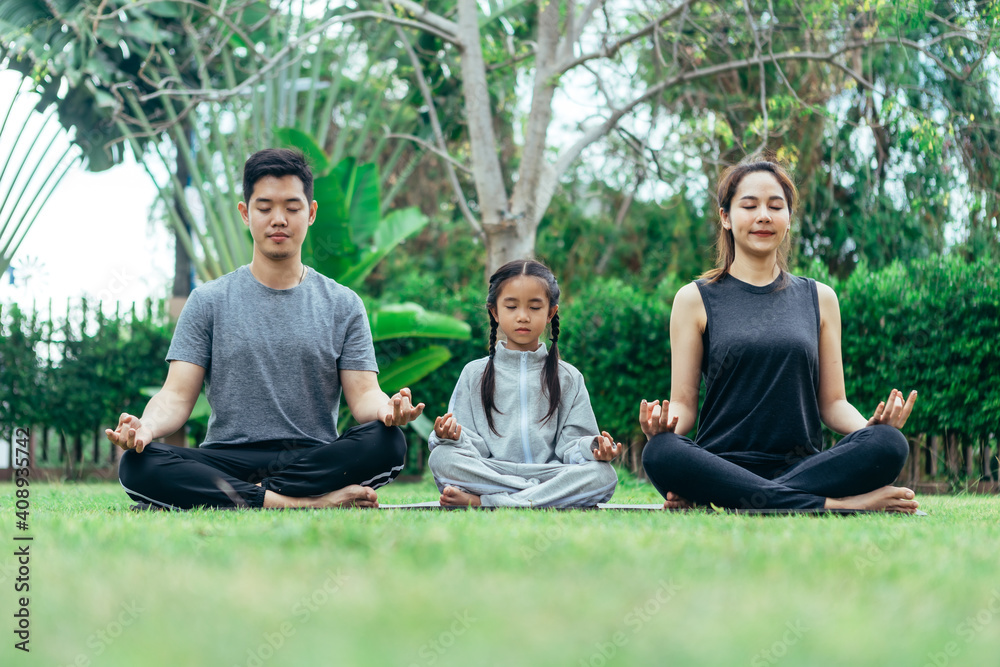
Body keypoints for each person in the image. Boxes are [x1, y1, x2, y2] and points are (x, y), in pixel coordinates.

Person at [107, 148, 424, 510]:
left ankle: (242, 495)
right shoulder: (208, 301)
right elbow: (176, 396)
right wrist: (145, 428)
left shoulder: (343, 304)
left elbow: (365, 393)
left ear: (311, 212)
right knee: (137, 464)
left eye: (292, 208)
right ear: (245, 213)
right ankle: (305, 503)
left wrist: (388, 410)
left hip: (310, 459)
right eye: (264, 208)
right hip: (225, 458)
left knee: (388, 443)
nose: (279, 220)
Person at [640, 153, 919, 513]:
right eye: (749, 205)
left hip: (804, 467)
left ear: (788, 219)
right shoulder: (694, 299)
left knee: (889, 444)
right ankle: (840, 505)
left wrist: (869, 428)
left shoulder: (819, 297)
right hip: (720, 464)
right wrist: (662, 428)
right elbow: (684, 406)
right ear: (726, 217)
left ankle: (745, 499)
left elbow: (833, 404)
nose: (763, 216)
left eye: (775, 206)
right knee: (660, 452)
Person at [427, 259, 621, 508]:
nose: (522, 317)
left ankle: (489, 502)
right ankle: (535, 499)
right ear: (495, 312)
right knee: (442, 458)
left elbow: (572, 445)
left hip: (550, 474)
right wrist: (449, 436)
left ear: (550, 313)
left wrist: (593, 447)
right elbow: (470, 444)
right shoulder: (473, 373)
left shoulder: (569, 377)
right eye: (511, 306)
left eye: (534, 307)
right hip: (495, 471)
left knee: (602, 475)